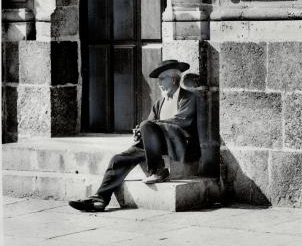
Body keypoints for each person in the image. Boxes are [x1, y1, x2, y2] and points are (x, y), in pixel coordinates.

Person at [69, 59, 205, 212]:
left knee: (146, 125)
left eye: (162, 79)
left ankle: (158, 170)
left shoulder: (188, 98)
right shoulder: (159, 103)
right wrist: (140, 132)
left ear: (173, 79)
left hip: (179, 144)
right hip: (158, 145)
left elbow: (181, 121)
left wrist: (149, 126)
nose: (159, 84)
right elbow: (150, 123)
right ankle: (100, 198)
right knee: (118, 159)